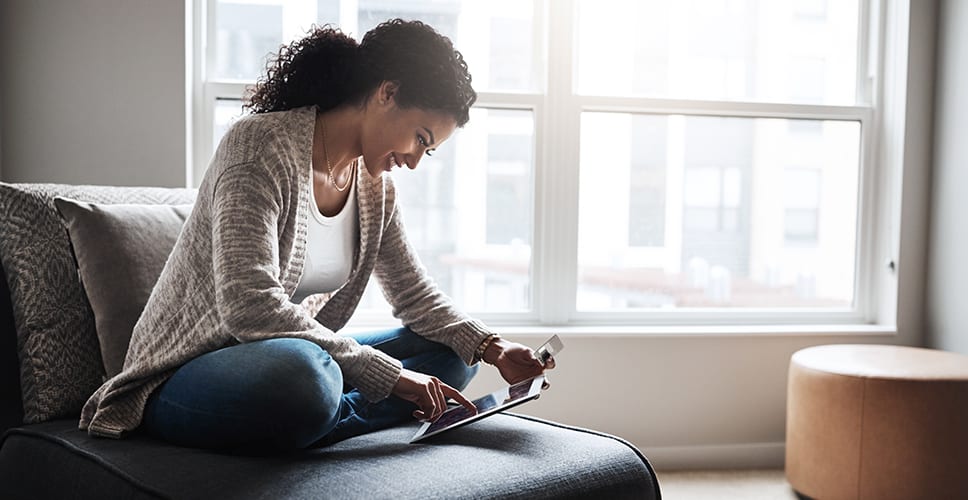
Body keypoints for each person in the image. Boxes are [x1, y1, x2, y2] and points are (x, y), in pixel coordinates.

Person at [78, 19, 553, 451]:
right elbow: (249, 305)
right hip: (188, 372)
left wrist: (491, 347)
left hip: (288, 359)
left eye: (427, 152)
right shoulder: (259, 147)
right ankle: (324, 414)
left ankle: (317, 421)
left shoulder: (375, 190)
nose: (414, 159)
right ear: (387, 92)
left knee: (454, 354)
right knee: (306, 378)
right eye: (421, 138)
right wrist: (391, 379)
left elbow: (414, 294)